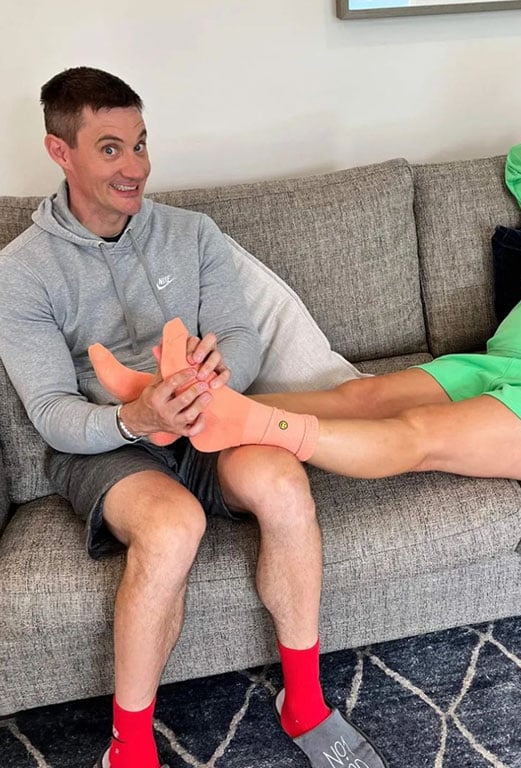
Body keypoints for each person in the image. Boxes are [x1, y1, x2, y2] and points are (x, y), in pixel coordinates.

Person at [0, 67, 388, 768]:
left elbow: (239, 335)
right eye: (111, 148)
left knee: (283, 482)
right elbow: (53, 413)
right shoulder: (20, 272)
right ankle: (130, 746)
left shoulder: (193, 232)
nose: (136, 167)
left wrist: (221, 368)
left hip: (208, 419)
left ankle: (303, 701)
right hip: (107, 441)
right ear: (61, 152)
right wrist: (135, 417)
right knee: (174, 525)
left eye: (141, 143)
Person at [93, 118, 521, 492]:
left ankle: (240, 420)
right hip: (501, 363)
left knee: (417, 434)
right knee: (361, 394)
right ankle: (175, 401)